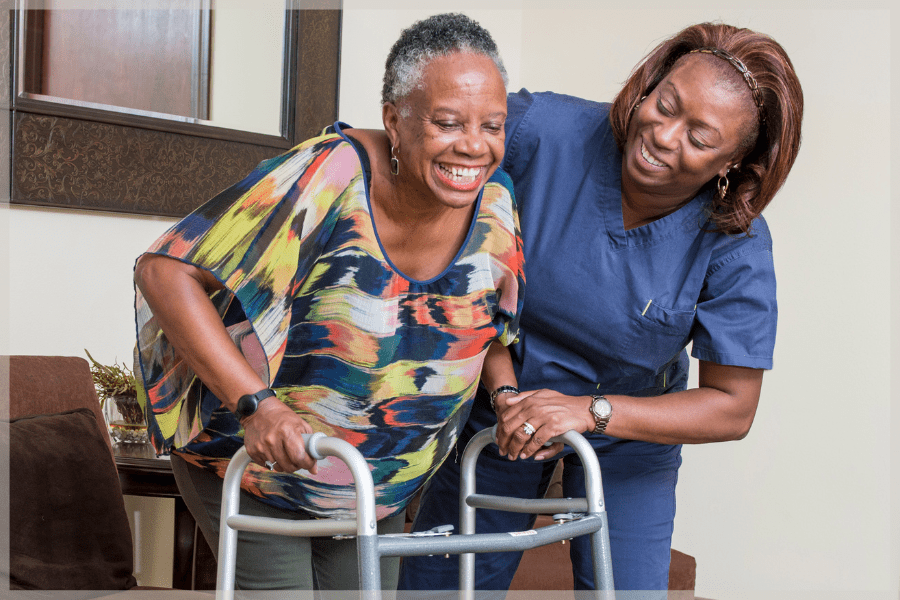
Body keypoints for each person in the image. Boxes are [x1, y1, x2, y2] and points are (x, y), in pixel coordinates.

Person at [399, 22, 803, 595]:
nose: (664, 136)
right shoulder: (547, 131)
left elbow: (733, 407)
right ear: (648, 86)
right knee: (441, 587)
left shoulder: (734, 240)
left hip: (628, 432)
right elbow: (433, 156)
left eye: (700, 137)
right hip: (503, 406)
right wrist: (507, 392)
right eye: (664, 105)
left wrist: (590, 412)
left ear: (730, 165)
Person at [133, 13, 524, 591]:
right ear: (394, 119)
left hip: (381, 480)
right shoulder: (329, 175)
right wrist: (256, 406)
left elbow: (482, 325)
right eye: (447, 122)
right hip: (260, 465)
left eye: (492, 125)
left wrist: (509, 394)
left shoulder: (494, 203)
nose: (473, 145)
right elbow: (165, 271)